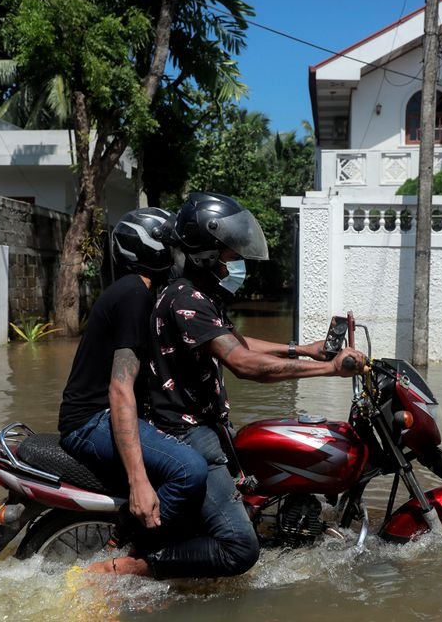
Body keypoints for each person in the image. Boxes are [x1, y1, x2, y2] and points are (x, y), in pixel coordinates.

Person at [87, 192, 366, 579]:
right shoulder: (187, 298)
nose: (236, 262)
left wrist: (306, 350)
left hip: (205, 424)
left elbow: (235, 343)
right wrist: (331, 370)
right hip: (186, 432)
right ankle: (130, 569)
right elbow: (244, 364)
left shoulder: (200, 296)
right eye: (230, 254)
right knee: (240, 548)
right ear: (205, 253)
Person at [58, 207, 208, 574]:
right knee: (190, 470)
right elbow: (120, 388)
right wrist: (139, 482)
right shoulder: (132, 296)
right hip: (90, 422)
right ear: (152, 251)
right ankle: (127, 556)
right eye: (172, 247)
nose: (179, 256)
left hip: (101, 417)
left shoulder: (142, 294)